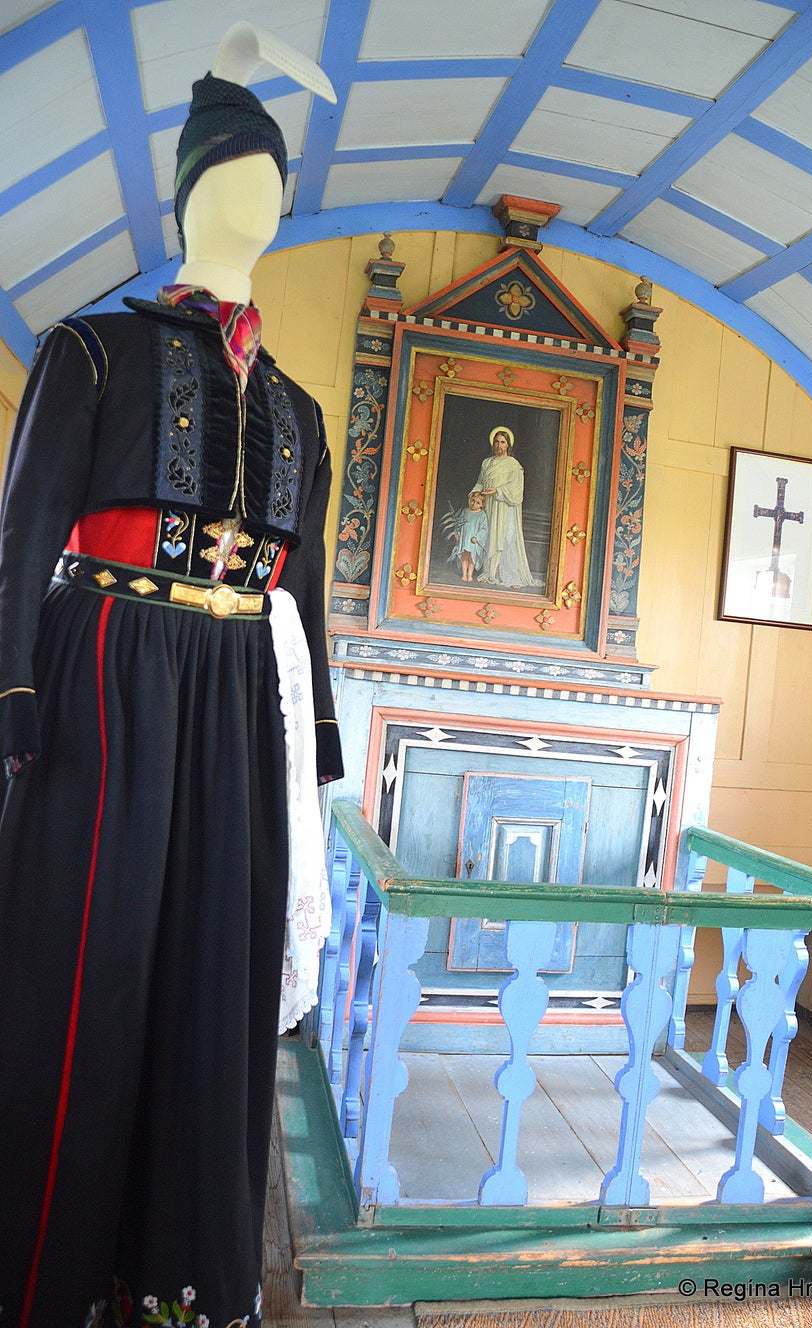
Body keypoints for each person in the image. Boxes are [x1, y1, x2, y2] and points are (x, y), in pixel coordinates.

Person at [0, 65, 340, 1328]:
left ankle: (181, 1284)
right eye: (231, 171)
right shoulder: (90, 347)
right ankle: (40, 1278)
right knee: (90, 969)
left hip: (240, 700)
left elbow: (307, 601)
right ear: (189, 192)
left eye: (273, 178)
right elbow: (22, 533)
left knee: (217, 978)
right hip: (108, 671)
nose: (254, 197)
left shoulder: (300, 414)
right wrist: (15, 692)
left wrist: (314, 745)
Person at [470, 425, 539, 589]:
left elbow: (517, 489)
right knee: (490, 536)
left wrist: (498, 490)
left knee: (507, 539)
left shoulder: (513, 464)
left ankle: (511, 576)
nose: (499, 445)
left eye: (502, 442)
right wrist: (474, 493)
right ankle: (489, 572)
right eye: (496, 441)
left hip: (505, 506)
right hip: (490, 506)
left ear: (508, 445)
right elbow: (480, 482)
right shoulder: (486, 463)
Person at [449, 489, 489, 582]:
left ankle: (469, 574)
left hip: (473, 540)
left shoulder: (482, 515)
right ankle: (464, 574)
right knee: (464, 556)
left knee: (472, 558)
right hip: (465, 539)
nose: (474, 504)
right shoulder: (465, 511)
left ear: (482, 505)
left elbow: (484, 529)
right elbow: (459, 523)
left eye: (478, 503)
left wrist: (477, 537)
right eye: (472, 501)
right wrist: (457, 533)